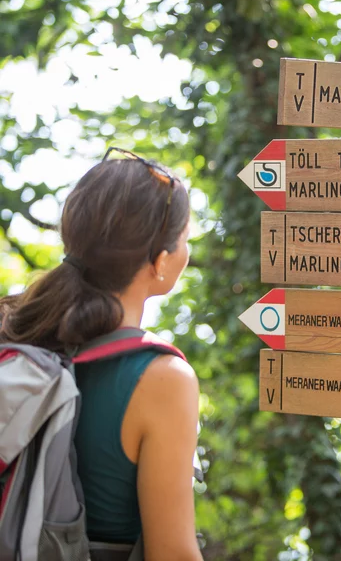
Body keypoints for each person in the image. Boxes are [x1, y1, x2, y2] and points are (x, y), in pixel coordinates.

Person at [0, 148, 203, 560]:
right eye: (185, 239)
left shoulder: (14, 329)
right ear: (160, 263)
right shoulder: (163, 378)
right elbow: (173, 554)